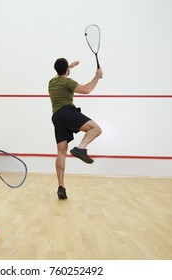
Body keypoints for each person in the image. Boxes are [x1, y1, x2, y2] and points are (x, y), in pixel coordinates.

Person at [48, 58, 103, 200]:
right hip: (67, 112)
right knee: (95, 129)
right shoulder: (68, 82)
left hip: (56, 117)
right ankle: (81, 148)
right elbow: (86, 89)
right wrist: (97, 76)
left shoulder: (52, 83)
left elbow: (57, 75)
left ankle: (61, 186)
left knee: (61, 152)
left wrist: (69, 66)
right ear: (66, 70)